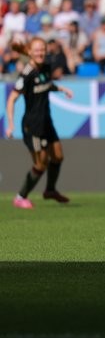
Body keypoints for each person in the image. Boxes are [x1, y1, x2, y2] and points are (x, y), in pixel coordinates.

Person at [5, 38, 74, 209]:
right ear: (29, 52)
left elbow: (47, 84)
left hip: (46, 122)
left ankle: (50, 190)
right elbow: (12, 99)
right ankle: (20, 197)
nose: (40, 53)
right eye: (37, 50)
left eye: (42, 49)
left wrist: (61, 89)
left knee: (58, 156)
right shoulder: (26, 74)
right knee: (40, 164)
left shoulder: (46, 67)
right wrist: (11, 124)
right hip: (33, 126)